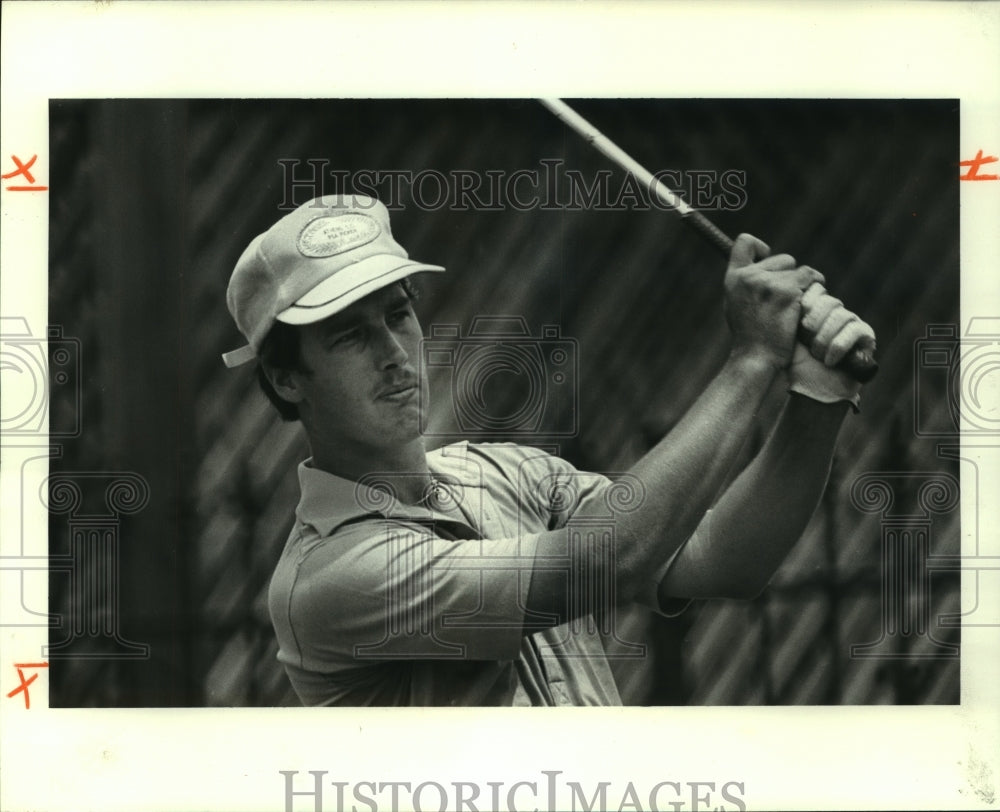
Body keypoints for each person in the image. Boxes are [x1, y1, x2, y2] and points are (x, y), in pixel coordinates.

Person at [222, 193, 876, 706]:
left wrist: (816, 401)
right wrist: (754, 357)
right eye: (347, 337)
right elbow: (606, 560)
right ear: (285, 377)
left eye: (398, 315)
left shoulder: (502, 472)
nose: (393, 356)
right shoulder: (333, 577)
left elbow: (718, 560)